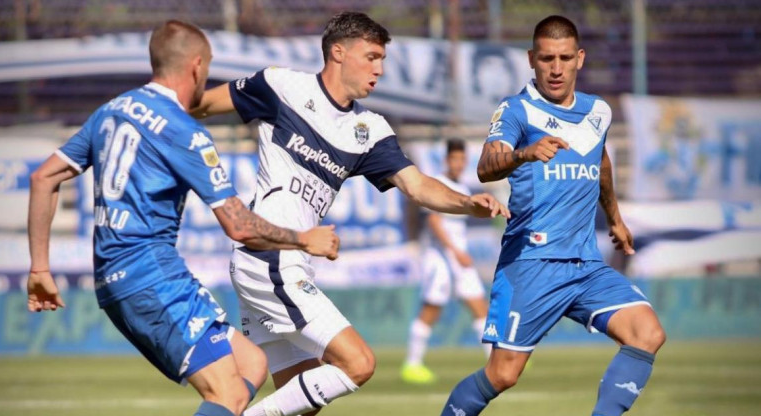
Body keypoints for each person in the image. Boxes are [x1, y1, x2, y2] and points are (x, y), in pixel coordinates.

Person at [191, 11, 508, 416]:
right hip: (269, 258)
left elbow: (417, 185)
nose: (379, 69)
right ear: (338, 52)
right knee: (358, 363)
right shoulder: (281, 86)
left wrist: (467, 203)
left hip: (289, 264)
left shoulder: (369, 129)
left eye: (383, 60)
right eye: (371, 57)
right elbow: (201, 104)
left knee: (303, 407)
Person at [26, 20, 341, 416]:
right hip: (151, 275)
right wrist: (303, 239)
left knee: (251, 364)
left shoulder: (111, 111)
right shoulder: (183, 132)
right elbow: (240, 226)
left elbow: (44, 177)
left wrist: (40, 267)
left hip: (114, 278)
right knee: (226, 395)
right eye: (207, 66)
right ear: (196, 66)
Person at [440, 15, 666, 416]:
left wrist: (614, 217)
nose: (556, 68)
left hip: (584, 265)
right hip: (531, 264)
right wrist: (523, 153)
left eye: (564, 57)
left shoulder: (598, 111)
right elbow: (485, 166)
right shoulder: (515, 110)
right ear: (531, 59)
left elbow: (601, 160)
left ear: (580, 58)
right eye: (546, 58)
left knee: (647, 332)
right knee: (502, 375)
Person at [401, 138, 490, 385]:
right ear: (447, 160)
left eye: (462, 159)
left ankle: (496, 362)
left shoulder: (465, 187)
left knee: (480, 306)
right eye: (455, 159)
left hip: (459, 258)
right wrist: (454, 251)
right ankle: (412, 363)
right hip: (440, 258)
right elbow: (434, 221)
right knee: (432, 309)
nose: (459, 164)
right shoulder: (438, 184)